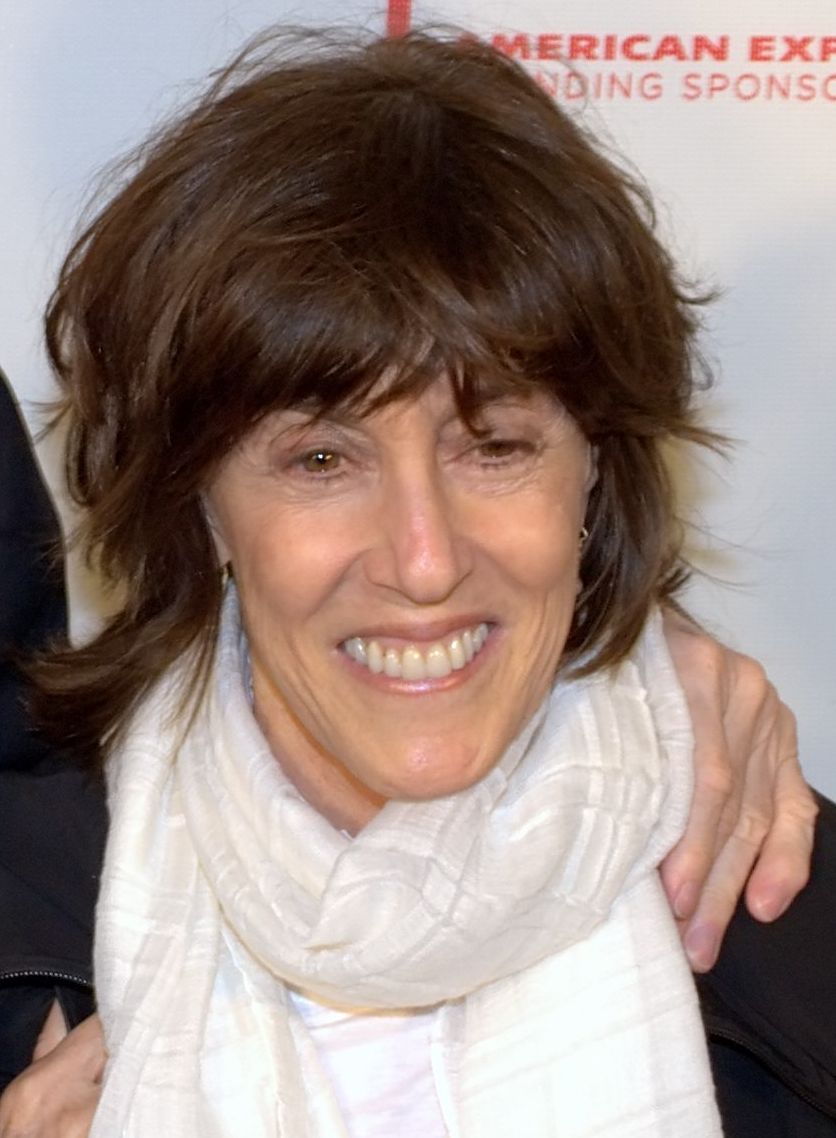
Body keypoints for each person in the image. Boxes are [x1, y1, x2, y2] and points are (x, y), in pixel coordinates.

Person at [0, 28, 824, 1138]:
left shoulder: (788, 910)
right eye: (320, 461)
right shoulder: (26, 915)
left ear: (595, 469)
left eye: (494, 447)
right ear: (200, 504)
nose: (424, 560)